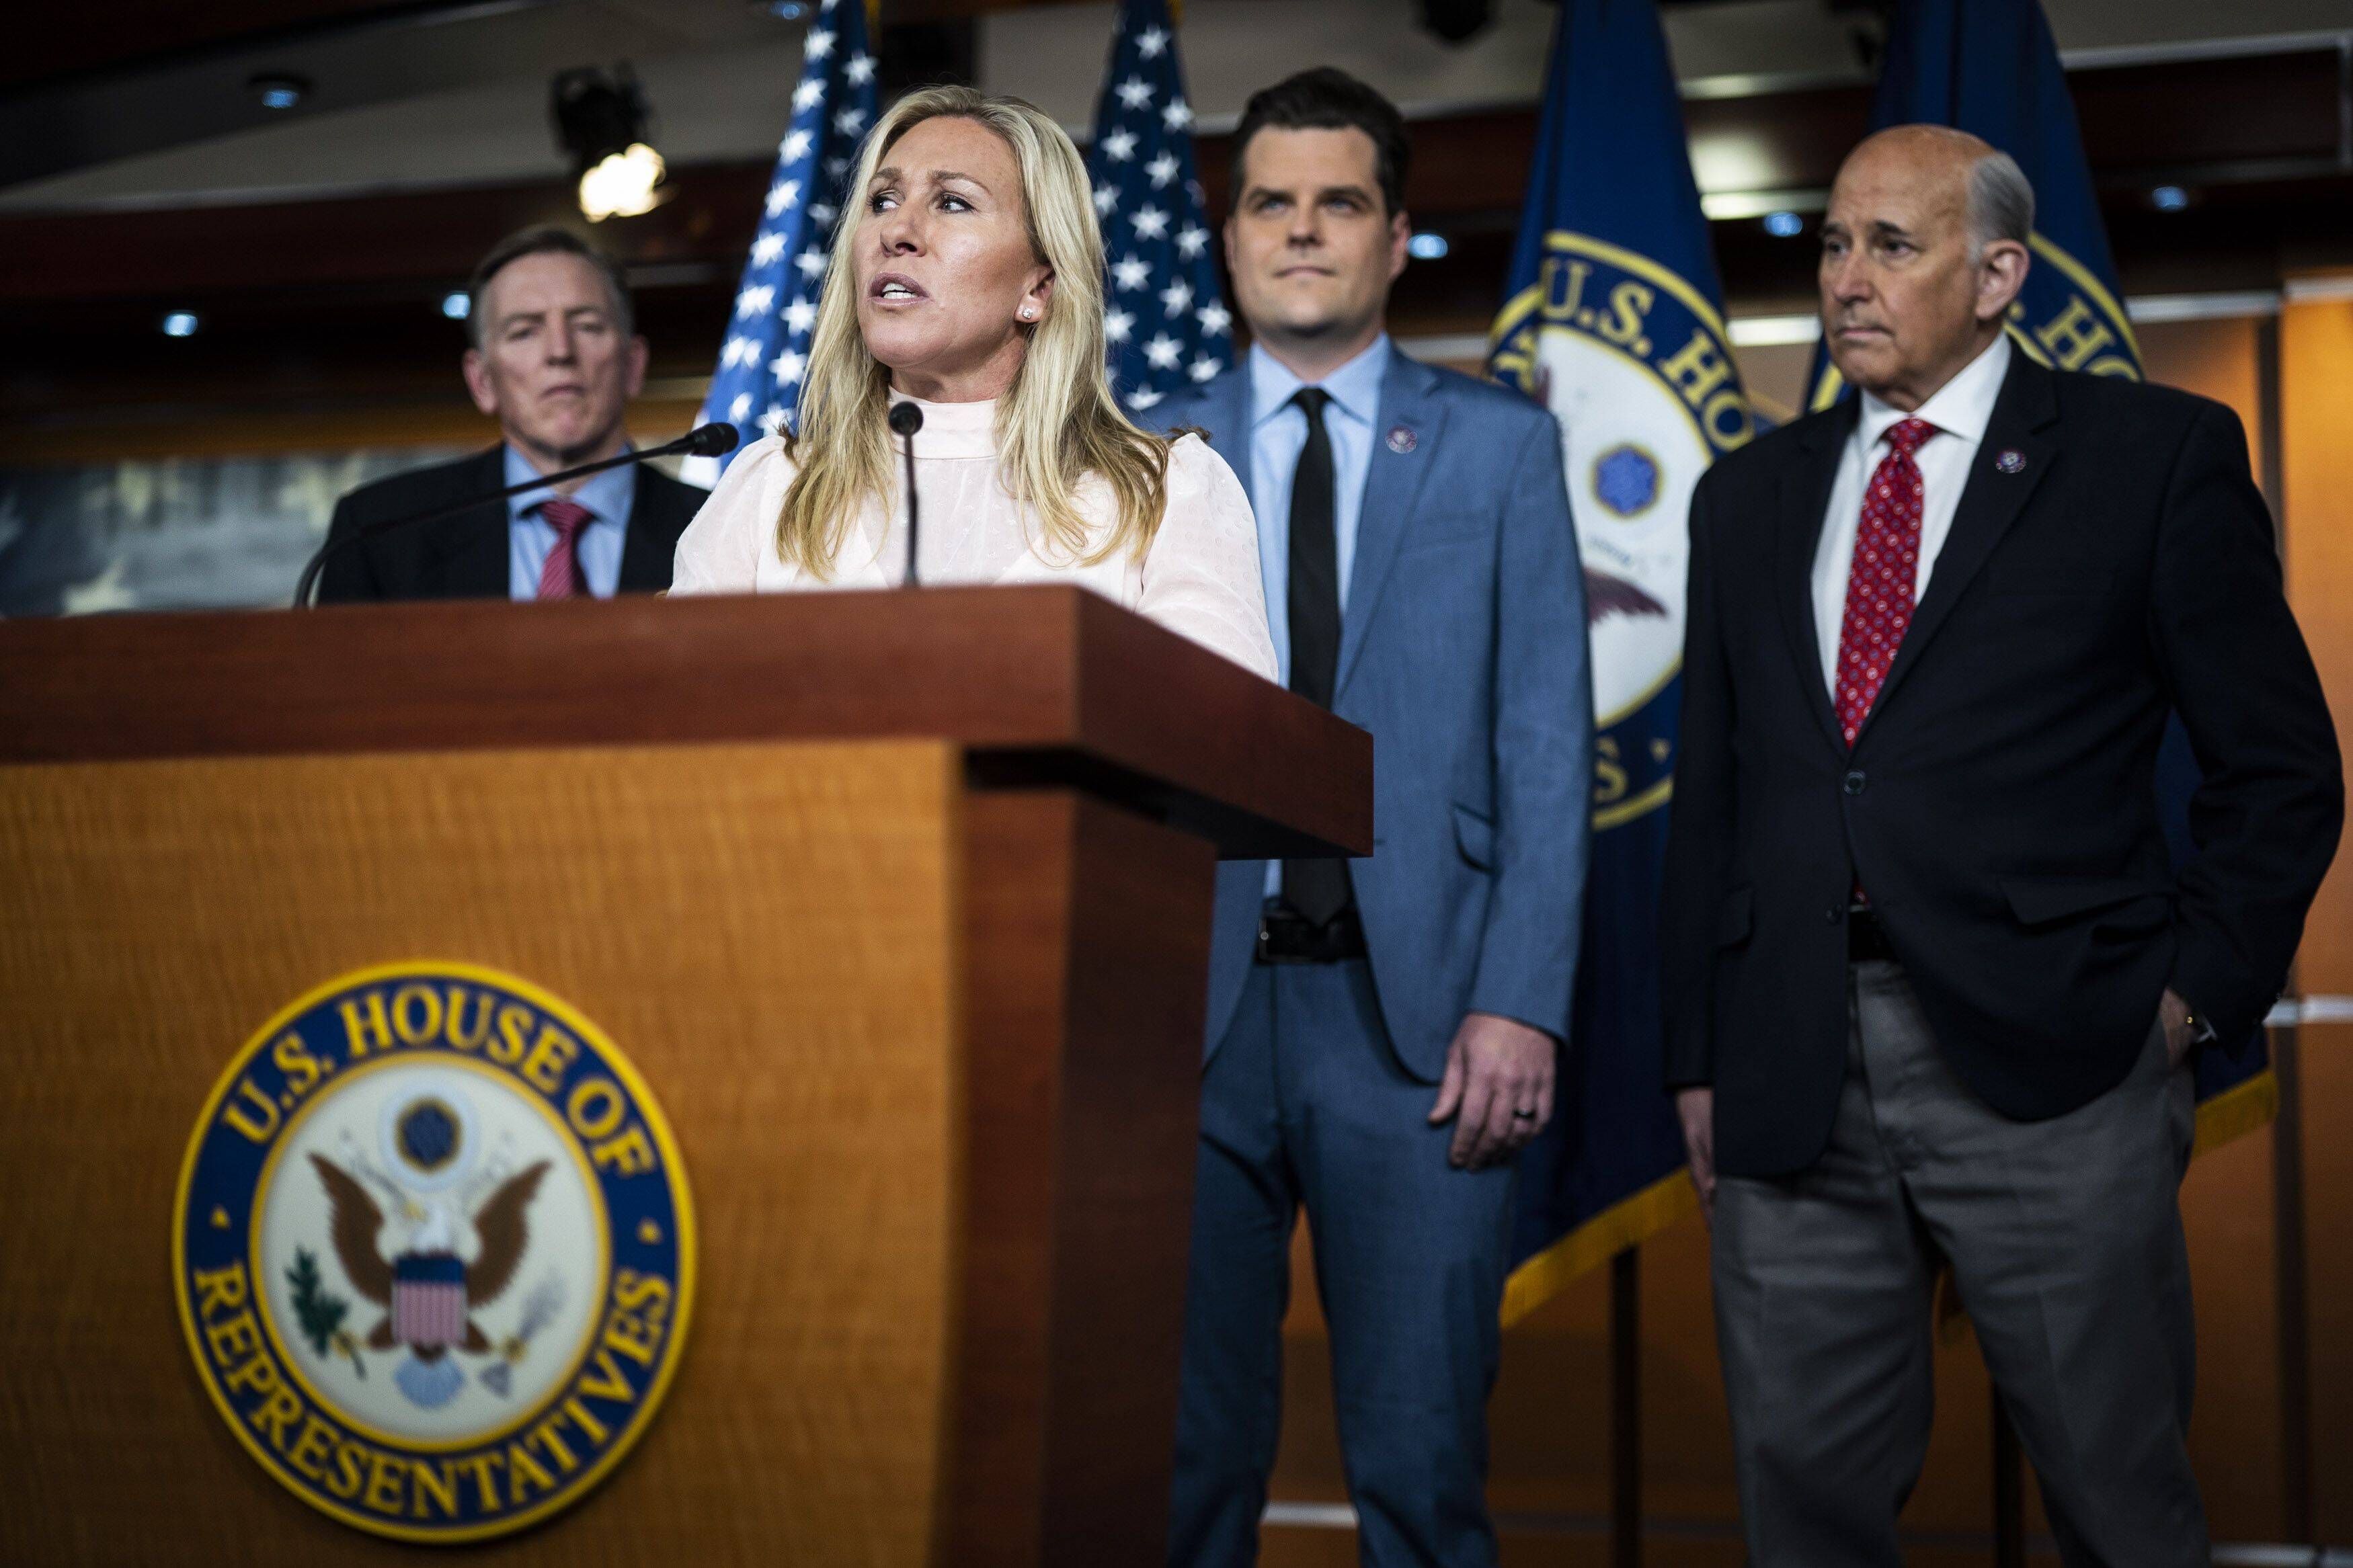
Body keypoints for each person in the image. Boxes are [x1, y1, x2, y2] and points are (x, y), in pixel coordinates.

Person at [1661, 124, 2342, 1568]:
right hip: (1785, 1066)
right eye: (1833, 245)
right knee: (1803, 1513)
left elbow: (2278, 767)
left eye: (1891, 247)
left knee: (2116, 1495)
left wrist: (2187, 999)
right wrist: (1694, 1051)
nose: (1848, 278)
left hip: (2061, 1054)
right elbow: (1708, 798)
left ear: (1997, 274)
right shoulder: (1746, 496)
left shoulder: (2149, 456)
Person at [1152, 69, 1591, 1568]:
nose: (1300, 231)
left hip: (1416, 1032)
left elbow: (1544, 743)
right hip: (1180, 1023)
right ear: (1228, 237)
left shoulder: (1499, 446)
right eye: (1270, 202)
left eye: (1338, 202)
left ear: (1397, 238)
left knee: (1418, 1465)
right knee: (1171, 1469)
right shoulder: (1134, 450)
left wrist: (1519, 1004)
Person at [668, 87, 1275, 681]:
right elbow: (661, 734)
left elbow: (1223, 746)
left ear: (1038, 288)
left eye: (952, 202)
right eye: (881, 200)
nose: (896, 231)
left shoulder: (1162, 496)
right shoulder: (771, 489)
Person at [319, 226, 705, 602]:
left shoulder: (717, 524)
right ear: (482, 381)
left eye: (587, 326)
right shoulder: (378, 530)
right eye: (524, 332)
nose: (560, 351)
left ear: (633, 366)